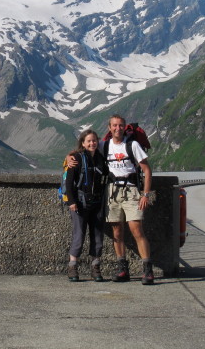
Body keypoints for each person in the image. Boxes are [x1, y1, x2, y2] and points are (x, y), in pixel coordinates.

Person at [67, 115, 155, 285]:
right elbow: (83, 149)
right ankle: (122, 268)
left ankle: (147, 269)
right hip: (112, 191)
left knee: (137, 230)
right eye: (114, 125)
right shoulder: (103, 145)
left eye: (121, 125)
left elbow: (147, 169)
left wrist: (145, 194)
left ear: (124, 127)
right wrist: (69, 157)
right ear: (109, 127)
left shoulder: (133, 145)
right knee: (117, 231)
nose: (118, 128)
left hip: (131, 191)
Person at [64, 129, 108, 282]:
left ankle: (95, 267)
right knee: (79, 235)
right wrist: (71, 202)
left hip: (97, 203)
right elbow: (69, 182)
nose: (92, 143)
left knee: (97, 236)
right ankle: (72, 266)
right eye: (88, 141)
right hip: (80, 204)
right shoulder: (76, 158)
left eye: (94, 140)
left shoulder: (101, 159)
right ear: (83, 143)